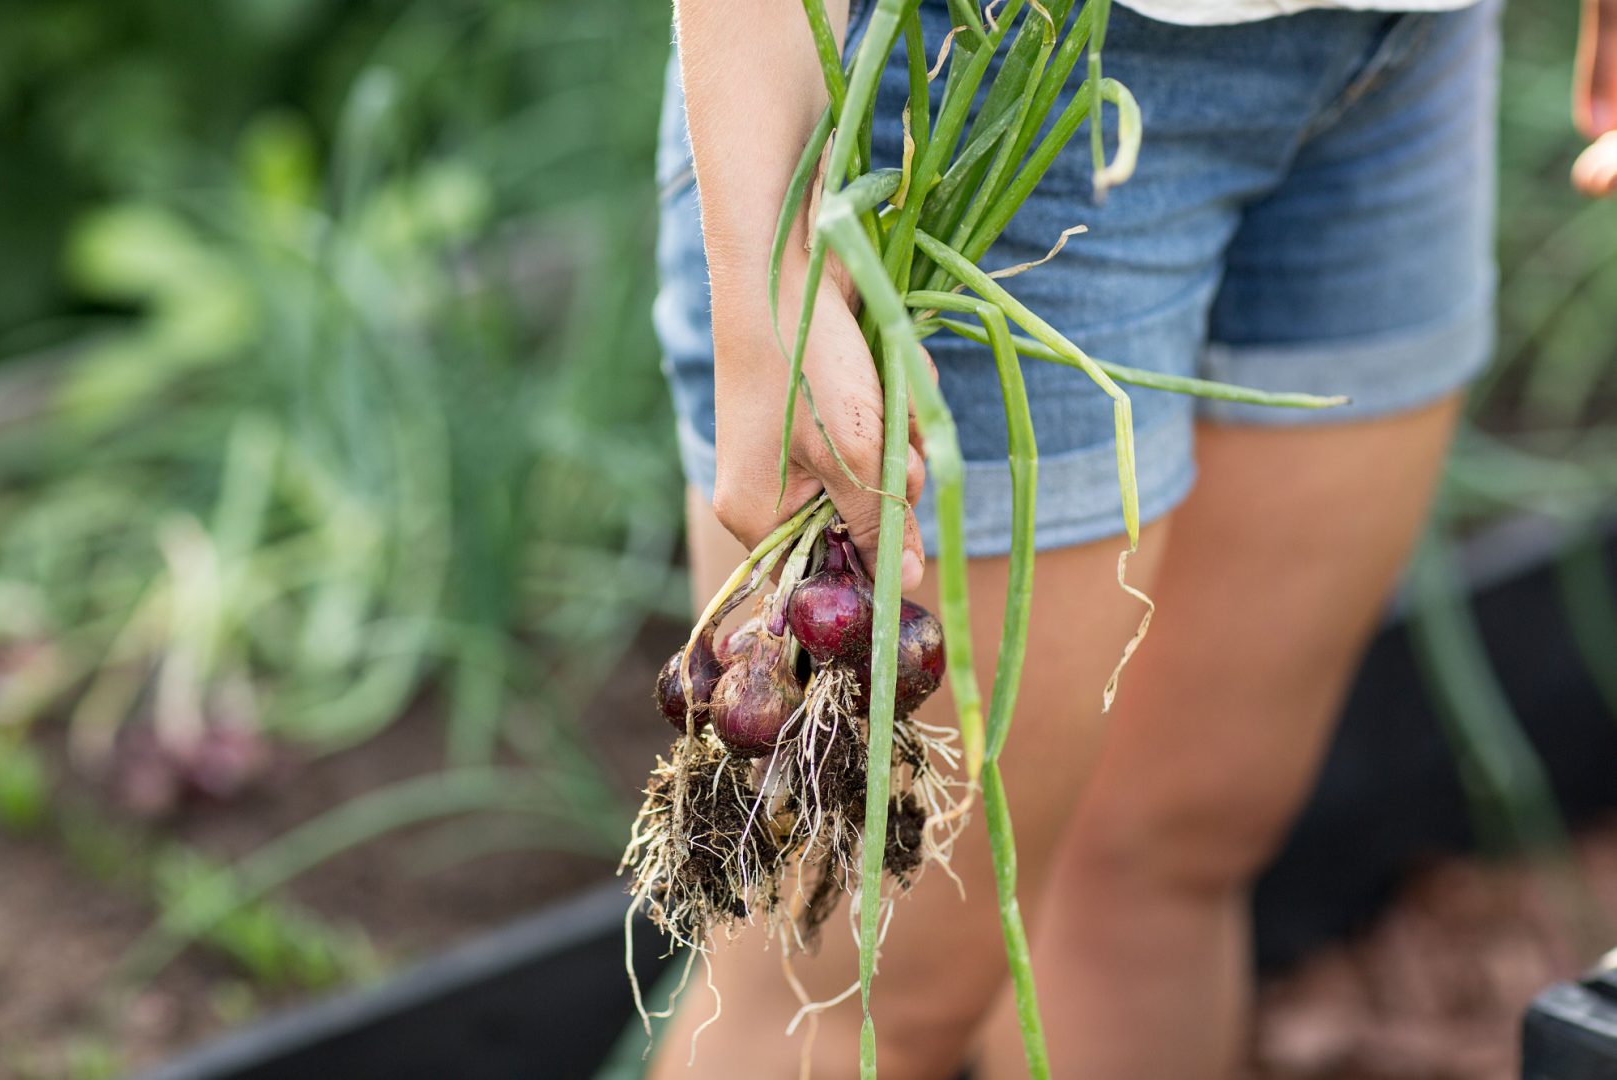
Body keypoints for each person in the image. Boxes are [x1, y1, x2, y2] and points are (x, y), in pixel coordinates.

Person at [648, 0, 1617, 1076]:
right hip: (984, 99)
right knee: (839, 990)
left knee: (1167, 866)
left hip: (1409, 54)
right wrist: (762, 261)